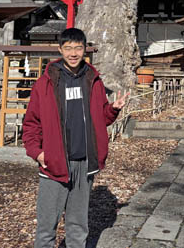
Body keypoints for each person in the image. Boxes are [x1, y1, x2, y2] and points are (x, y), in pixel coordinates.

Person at [22, 28, 128, 248]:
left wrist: (113, 109)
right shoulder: (46, 83)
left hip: (84, 162)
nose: (73, 53)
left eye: (78, 48)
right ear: (60, 49)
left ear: (84, 50)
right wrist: (37, 153)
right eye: (68, 48)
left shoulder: (92, 80)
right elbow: (31, 123)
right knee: (46, 225)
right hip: (54, 162)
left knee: (78, 224)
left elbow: (100, 119)